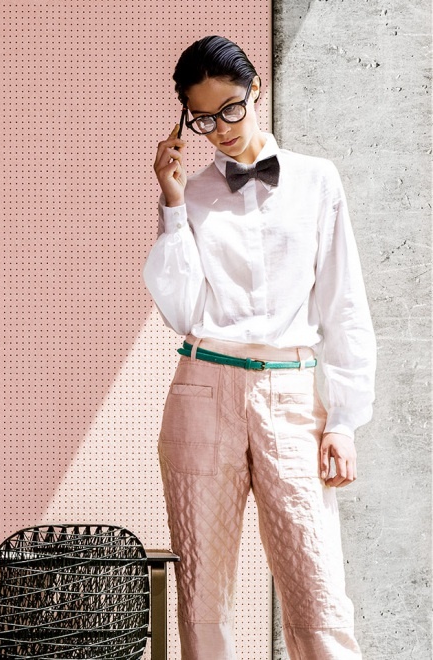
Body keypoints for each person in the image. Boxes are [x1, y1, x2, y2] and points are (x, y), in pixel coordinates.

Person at [143, 35, 375, 659]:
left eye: (231, 109)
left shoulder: (317, 180)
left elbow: (344, 304)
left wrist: (344, 421)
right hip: (202, 389)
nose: (220, 130)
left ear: (256, 91)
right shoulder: (191, 193)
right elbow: (182, 312)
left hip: (290, 392)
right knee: (202, 595)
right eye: (203, 118)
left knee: (318, 590)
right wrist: (172, 204)